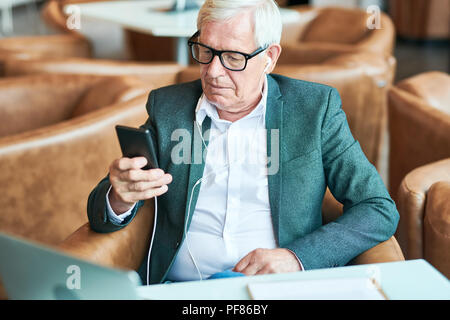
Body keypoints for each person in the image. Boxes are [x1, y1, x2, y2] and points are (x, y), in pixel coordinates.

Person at [87, 0, 399, 284]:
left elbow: (377, 207)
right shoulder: (169, 108)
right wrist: (120, 197)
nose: (213, 72)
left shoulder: (314, 110)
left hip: (274, 289)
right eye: (205, 51)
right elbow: (102, 213)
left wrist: (297, 258)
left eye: (233, 57)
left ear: (269, 57)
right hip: (180, 290)